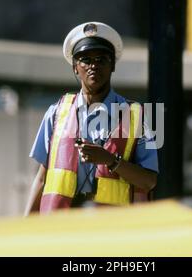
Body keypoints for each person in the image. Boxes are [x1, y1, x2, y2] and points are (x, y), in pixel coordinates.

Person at [24, 22, 158, 215]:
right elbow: (42, 179)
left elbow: (149, 181)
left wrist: (111, 161)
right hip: (62, 229)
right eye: (85, 60)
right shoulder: (56, 112)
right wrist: (26, 226)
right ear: (75, 68)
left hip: (111, 233)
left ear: (112, 65)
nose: (93, 65)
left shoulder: (137, 116)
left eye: (102, 59)